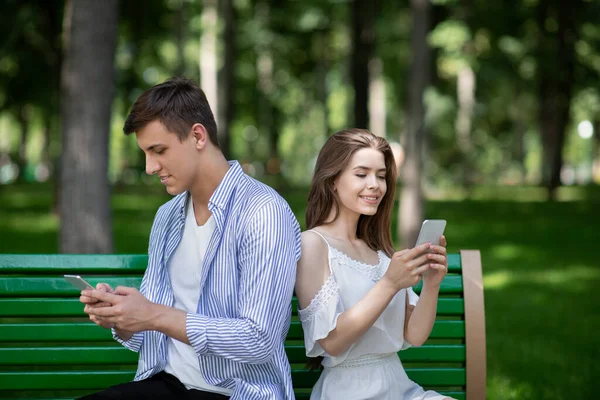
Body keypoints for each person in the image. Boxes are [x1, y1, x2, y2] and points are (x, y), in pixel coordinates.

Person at [79, 77, 301, 399]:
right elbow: (154, 330)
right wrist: (123, 317)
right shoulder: (167, 217)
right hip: (167, 384)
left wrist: (155, 314)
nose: (149, 167)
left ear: (198, 136)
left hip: (236, 393)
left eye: (158, 151)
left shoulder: (263, 212)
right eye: (145, 153)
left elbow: (259, 339)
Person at [295, 129, 453, 400]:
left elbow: (413, 335)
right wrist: (390, 283)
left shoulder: (379, 252)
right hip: (349, 391)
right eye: (361, 174)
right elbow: (331, 341)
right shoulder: (313, 244)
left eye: (381, 176)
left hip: (401, 388)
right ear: (333, 179)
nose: (376, 185)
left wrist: (431, 286)